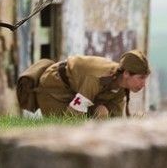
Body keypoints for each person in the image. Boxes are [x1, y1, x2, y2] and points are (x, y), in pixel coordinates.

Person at [20, 50, 151, 118]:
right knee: (63, 130)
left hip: (75, 90)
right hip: (54, 87)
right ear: (126, 73)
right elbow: (74, 115)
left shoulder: (121, 86)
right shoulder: (96, 78)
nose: (143, 84)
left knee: (102, 113)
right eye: (141, 78)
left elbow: (114, 121)